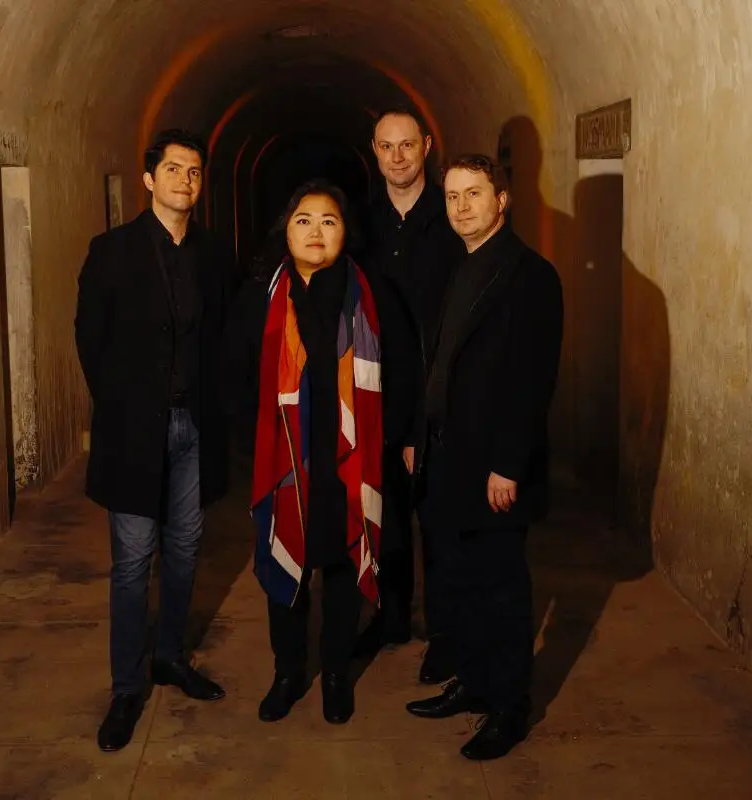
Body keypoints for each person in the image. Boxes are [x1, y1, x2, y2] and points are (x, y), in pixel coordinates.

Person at [225, 180, 413, 725]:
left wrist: (396, 437)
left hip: (348, 461)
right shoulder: (261, 294)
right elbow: (232, 371)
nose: (315, 231)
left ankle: (334, 674)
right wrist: (253, 439)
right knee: (285, 566)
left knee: (340, 565)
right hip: (286, 461)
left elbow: (401, 371)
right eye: (303, 219)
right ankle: (287, 673)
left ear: (345, 232)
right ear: (286, 229)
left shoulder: (370, 294)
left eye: (328, 221)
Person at [74, 128, 230, 753]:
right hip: (136, 429)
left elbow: (222, 335)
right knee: (134, 558)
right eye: (173, 170)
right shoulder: (111, 251)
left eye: (194, 172)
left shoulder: (214, 253)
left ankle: (169, 656)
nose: (184, 182)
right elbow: (91, 337)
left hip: (195, 426)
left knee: (187, 545)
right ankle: (126, 687)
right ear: (148, 179)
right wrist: (121, 406)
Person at [403, 154, 563, 761]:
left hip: (492, 466)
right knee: (461, 584)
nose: (461, 206)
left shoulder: (529, 276)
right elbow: (440, 363)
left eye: (474, 193)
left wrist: (509, 465)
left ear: (503, 199)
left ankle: (508, 708)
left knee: (501, 588)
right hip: (446, 457)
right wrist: (422, 432)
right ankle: (472, 683)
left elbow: (532, 381)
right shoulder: (460, 266)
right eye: (451, 196)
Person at [357, 106, 465, 685]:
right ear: (373, 151)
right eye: (385, 146)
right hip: (378, 397)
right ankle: (392, 617)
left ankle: (445, 636)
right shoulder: (363, 223)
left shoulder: (453, 216)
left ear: (426, 145)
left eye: (407, 145)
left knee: (439, 522)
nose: (397, 157)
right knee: (388, 519)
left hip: (437, 401)